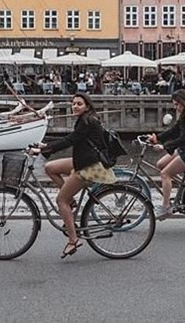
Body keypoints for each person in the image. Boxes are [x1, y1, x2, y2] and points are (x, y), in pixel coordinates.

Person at [31, 93, 116, 258]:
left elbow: (70, 140)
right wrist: (46, 145)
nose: (75, 106)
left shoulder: (87, 121)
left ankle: (73, 240)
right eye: (73, 103)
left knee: (60, 200)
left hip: (90, 166)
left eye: (79, 103)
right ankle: (72, 201)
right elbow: (70, 139)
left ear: (87, 106)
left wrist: (43, 149)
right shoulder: (85, 119)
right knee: (50, 167)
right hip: (83, 160)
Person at [148, 89, 185, 220]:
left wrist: (164, 146)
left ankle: (166, 207)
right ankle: (182, 185)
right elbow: (174, 131)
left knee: (165, 174)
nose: (175, 107)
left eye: (176, 104)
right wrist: (156, 137)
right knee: (160, 164)